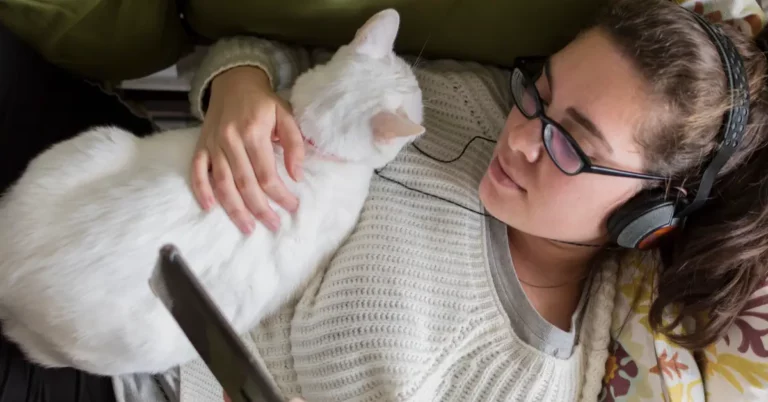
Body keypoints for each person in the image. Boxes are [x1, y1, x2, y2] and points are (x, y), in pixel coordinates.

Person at [1, 1, 767, 402]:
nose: (521, 136)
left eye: (572, 142)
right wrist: (243, 84)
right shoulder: (470, 104)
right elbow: (308, 66)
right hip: (124, 195)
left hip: (122, 371)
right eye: (538, 90)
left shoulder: (518, 381)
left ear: (648, 220)